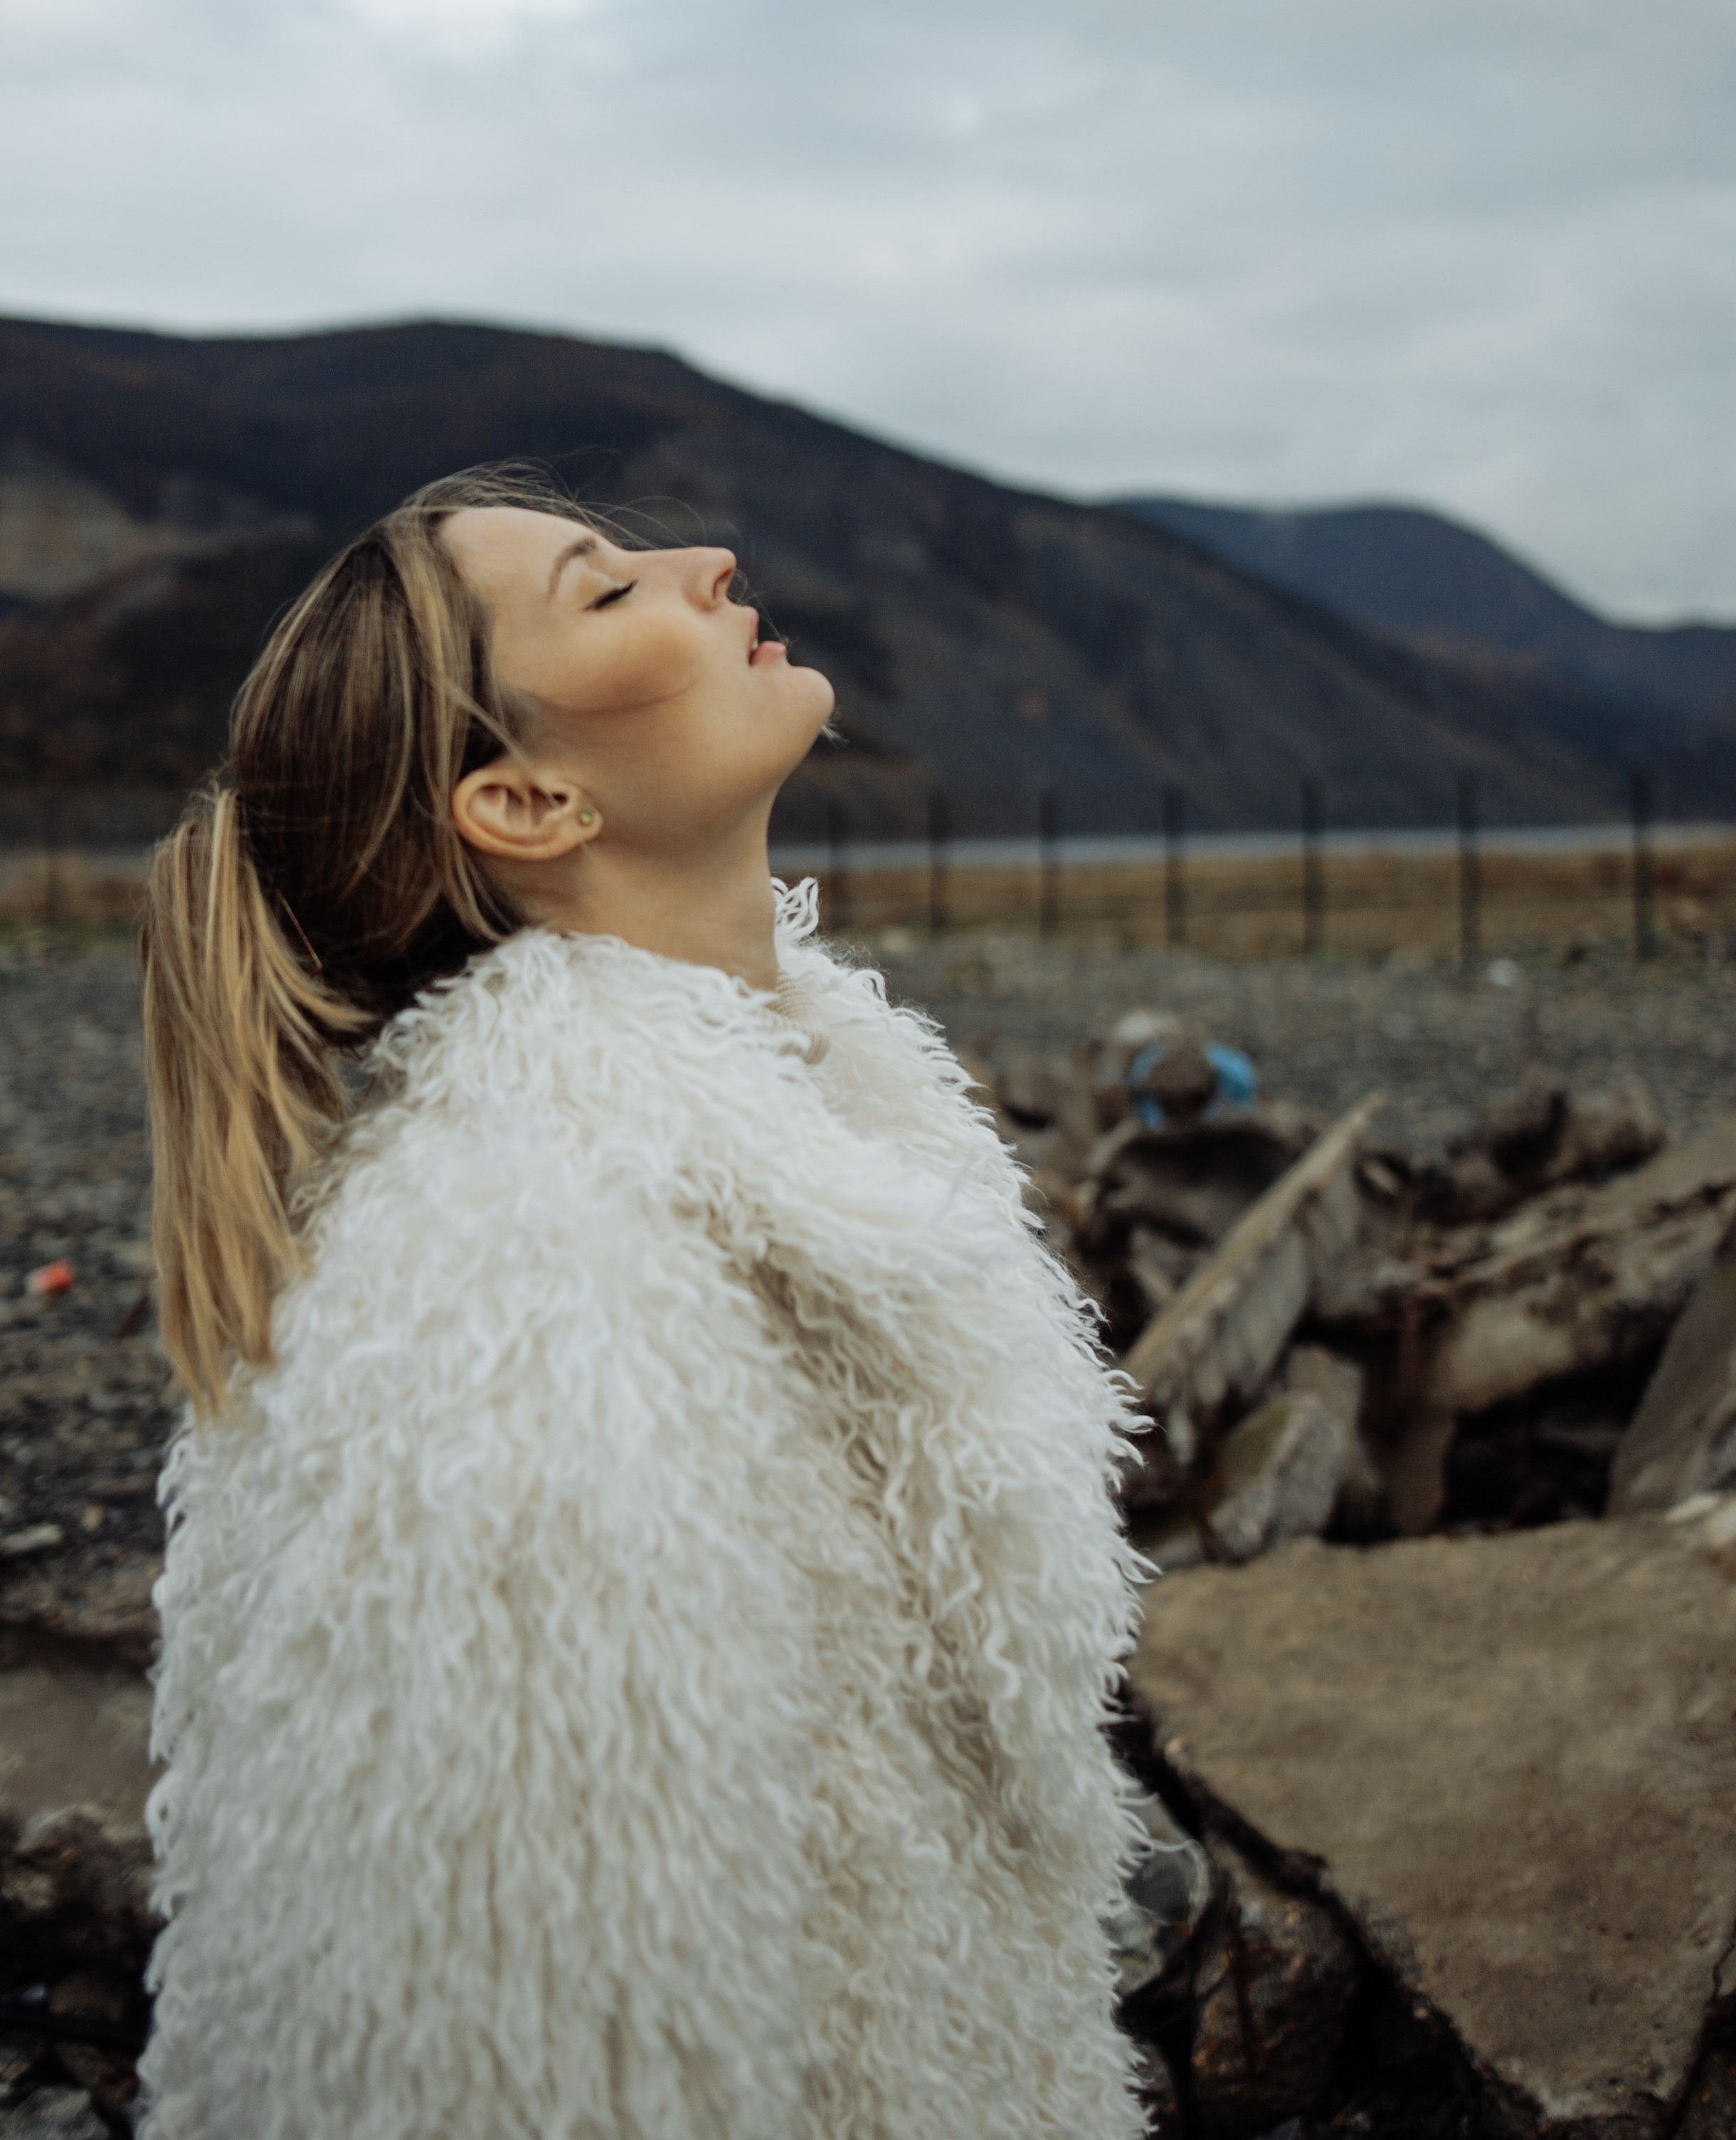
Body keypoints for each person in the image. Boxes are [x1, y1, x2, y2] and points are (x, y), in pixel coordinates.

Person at [136, 463, 1151, 2140]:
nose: (707, 561)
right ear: (525, 805)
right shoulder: (525, 1287)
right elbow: (517, 2044)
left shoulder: (793, 1125)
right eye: (608, 590)